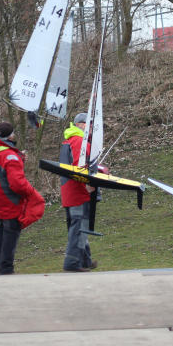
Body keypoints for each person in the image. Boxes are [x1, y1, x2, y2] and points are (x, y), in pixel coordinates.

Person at [0, 122, 43, 275]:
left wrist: (18, 158)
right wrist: (32, 193)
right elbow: (18, 184)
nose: (14, 135)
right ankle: (6, 269)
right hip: (9, 201)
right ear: (9, 136)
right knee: (11, 232)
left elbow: (2, 168)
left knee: (2, 230)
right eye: (13, 133)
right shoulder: (9, 156)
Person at [59, 112, 98, 272]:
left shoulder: (68, 140)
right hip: (78, 191)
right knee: (78, 227)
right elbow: (79, 166)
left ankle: (85, 261)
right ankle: (72, 263)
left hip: (69, 190)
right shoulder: (79, 141)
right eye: (89, 125)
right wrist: (88, 184)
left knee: (78, 226)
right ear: (82, 124)